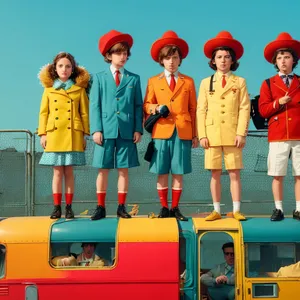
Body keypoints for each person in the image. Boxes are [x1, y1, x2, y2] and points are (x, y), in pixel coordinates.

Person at [143, 31, 198, 221]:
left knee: (178, 170)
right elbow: (146, 105)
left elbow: (193, 109)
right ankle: (164, 207)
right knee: (161, 170)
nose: (172, 62)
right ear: (161, 61)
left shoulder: (188, 81)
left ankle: (175, 207)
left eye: (175, 58)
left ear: (180, 60)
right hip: (161, 131)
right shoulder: (153, 81)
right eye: (168, 58)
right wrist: (157, 107)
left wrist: (195, 135)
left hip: (183, 131)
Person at [89, 30, 143, 221]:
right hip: (105, 129)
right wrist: (96, 129)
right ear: (109, 55)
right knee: (102, 169)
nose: (123, 56)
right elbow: (94, 105)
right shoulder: (99, 77)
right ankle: (100, 207)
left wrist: (138, 128)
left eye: (125, 53)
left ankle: (121, 207)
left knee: (123, 169)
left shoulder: (134, 78)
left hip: (127, 130)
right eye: (119, 52)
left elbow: (138, 105)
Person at [197, 31, 250, 221]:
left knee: (235, 172)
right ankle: (217, 209)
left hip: (232, 133)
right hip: (211, 134)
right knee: (215, 173)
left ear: (232, 60)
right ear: (213, 60)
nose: (223, 61)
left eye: (227, 57)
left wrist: (241, 133)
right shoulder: (205, 82)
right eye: (219, 57)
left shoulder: (240, 82)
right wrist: (202, 134)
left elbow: (245, 108)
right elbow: (200, 110)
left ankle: (236, 209)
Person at [38, 52, 90, 219]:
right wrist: (42, 133)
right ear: (55, 68)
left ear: (73, 69)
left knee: (69, 172)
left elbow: (84, 114)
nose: (64, 69)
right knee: (56, 172)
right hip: (54, 133)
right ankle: (56, 208)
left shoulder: (79, 90)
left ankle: (68, 207)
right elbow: (43, 113)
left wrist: (85, 134)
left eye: (68, 66)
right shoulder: (48, 90)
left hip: (73, 134)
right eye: (60, 66)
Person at [258, 32, 300, 221]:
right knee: (277, 173)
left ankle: (299, 208)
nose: (283, 61)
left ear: (294, 60)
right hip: (278, 134)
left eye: (287, 57)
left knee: (299, 174)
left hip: (299, 134)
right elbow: (263, 110)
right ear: (275, 61)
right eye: (280, 58)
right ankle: (278, 208)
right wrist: (278, 103)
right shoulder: (268, 83)